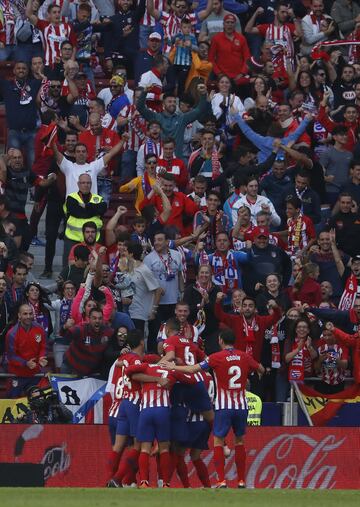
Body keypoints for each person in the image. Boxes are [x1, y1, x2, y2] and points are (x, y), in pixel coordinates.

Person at [160, 329, 265, 488]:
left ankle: (221, 480)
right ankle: (241, 481)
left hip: (224, 406)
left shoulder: (216, 357)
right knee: (239, 441)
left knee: (218, 441)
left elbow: (192, 369)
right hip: (241, 406)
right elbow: (261, 369)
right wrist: (259, 373)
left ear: (221, 340)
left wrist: (172, 367)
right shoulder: (244, 356)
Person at [136, 83, 210, 159]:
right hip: (160, 162)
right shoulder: (156, 117)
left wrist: (203, 94)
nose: (173, 104)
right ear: (163, 104)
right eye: (170, 101)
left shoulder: (182, 119)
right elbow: (140, 108)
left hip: (177, 162)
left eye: (174, 102)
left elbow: (199, 110)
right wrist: (144, 92)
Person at [143, 230, 183, 352]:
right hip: (157, 302)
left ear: (167, 242)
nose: (156, 243)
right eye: (155, 240)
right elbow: (145, 280)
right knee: (155, 332)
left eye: (160, 240)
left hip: (173, 301)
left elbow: (180, 275)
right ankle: (153, 357)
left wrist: (182, 292)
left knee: (174, 331)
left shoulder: (177, 255)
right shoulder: (149, 258)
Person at [52, 136, 127, 197]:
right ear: (74, 154)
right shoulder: (68, 166)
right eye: (78, 151)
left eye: (83, 151)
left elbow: (111, 154)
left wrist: (123, 140)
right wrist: (51, 139)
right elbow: (55, 151)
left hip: (90, 209)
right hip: (73, 209)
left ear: (87, 154)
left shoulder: (93, 166)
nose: (81, 153)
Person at [63, 173, 107, 266]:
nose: (86, 185)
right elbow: (77, 213)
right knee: (69, 266)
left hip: (93, 238)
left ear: (91, 184)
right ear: (78, 184)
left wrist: (86, 206)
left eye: (88, 183)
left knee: (93, 265)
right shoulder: (71, 198)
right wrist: (93, 210)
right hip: (73, 238)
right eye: (83, 183)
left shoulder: (98, 198)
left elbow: (102, 209)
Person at [5, 303, 47, 398]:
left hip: (35, 374)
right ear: (19, 315)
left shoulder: (39, 329)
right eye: (25, 314)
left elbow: (43, 347)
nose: (28, 316)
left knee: (36, 402)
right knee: (13, 401)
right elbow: (11, 356)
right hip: (17, 374)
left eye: (30, 313)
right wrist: (25, 363)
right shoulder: (12, 334)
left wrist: (41, 357)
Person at [61, 307, 113, 376]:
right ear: (89, 319)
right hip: (70, 367)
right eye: (94, 318)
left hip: (90, 371)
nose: (97, 321)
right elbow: (65, 335)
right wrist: (65, 327)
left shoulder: (108, 332)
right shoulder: (81, 329)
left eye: (100, 318)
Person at [208, 14, 250, 82]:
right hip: (222, 77)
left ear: (235, 24)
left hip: (239, 77)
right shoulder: (216, 38)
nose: (230, 24)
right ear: (223, 24)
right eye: (227, 22)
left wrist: (242, 73)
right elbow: (211, 58)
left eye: (232, 22)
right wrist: (219, 74)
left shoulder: (241, 38)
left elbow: (247, 58)